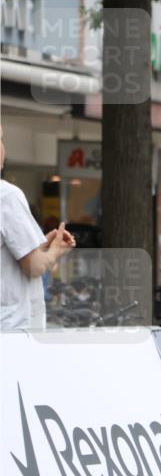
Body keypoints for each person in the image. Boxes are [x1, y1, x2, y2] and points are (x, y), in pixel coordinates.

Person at [1, 126, 76, 330]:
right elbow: (34, 266)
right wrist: (56, 251)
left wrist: (40, 246)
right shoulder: (7, 196)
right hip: (13, 329)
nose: (3, 148)